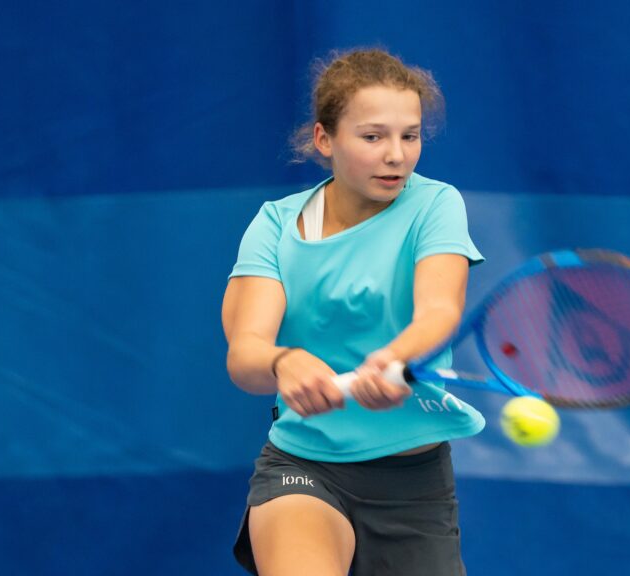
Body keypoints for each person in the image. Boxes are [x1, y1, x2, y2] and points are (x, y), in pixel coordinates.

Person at [222, 48, 484, 576]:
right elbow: (245, 353)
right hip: (303, 466)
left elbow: (439, 310)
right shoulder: (275, 225)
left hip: (415, 482)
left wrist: (393, 357)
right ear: (325, 139)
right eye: (373, 137)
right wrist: (282, 361)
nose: (396, 155)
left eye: (409, 136)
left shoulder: (436, 205)